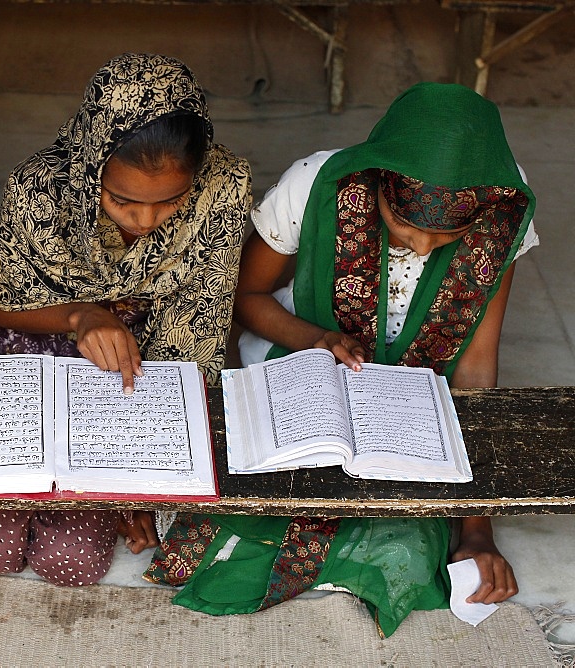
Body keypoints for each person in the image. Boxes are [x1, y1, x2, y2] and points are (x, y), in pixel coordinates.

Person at [146, 82, 536, 636]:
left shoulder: (499, 210)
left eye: (448, 234)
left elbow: (475, 369)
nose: (423, 248)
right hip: (295, 369)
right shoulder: (316, 184)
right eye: (406, 227)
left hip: (409, 404)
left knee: (409, 540)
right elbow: (244, 298)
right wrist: (314, 339)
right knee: (249, 504)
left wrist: (476, 528)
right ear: (376, 182)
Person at [0, 53, 252, 586]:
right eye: (121, 201)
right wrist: (82, 315)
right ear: (90, 165)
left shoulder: (224, 187)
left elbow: (198, 324)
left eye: (170, 202)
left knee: (70, 560)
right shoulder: (36, 188)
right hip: (26, 345)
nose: (145, 222)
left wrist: (142, 478)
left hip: (133, 368)